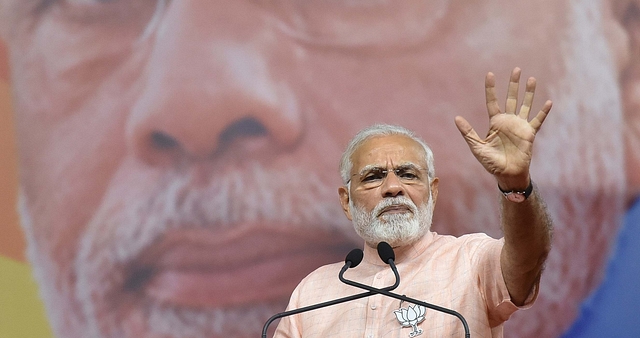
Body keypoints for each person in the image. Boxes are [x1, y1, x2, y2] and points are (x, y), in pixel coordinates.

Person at [0, 1, 635, 337]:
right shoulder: (316, 293)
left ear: (629, 67)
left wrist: (516, 188)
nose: (191, 99)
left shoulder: (467, 266)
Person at [274, 69, 553, 337]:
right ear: (346, 201)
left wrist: (516, 184)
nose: (393, 187)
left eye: (408, 174)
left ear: (433, 191)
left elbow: (528, 258)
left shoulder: (470, 260)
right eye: (373, 177)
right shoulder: (312, 293)